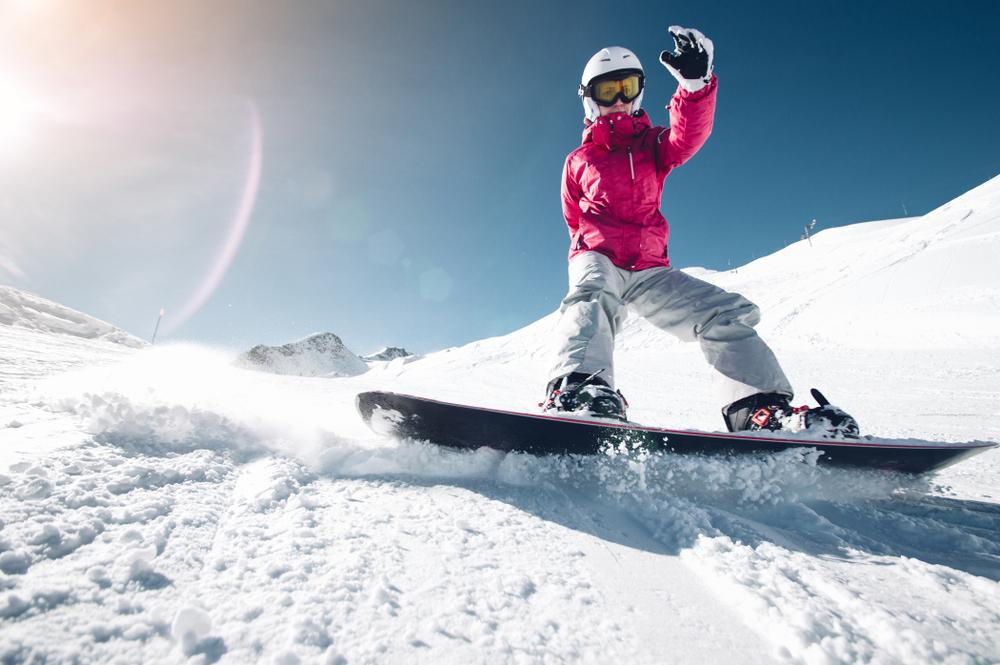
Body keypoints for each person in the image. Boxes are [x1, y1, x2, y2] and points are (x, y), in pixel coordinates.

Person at [542, 26, 857, 436]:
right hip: (598, 256)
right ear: (589, 99)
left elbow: (687, 137)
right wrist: (591, 251)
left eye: (627, 88)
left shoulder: (653, 144)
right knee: (592, 294)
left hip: (650, 268)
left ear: (638, 92)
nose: (619, 100)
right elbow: (573, 217)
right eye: (607, 91)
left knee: (722, 313)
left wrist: (695, 87)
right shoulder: (578, 159)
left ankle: (758, 409)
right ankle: (579, 389)